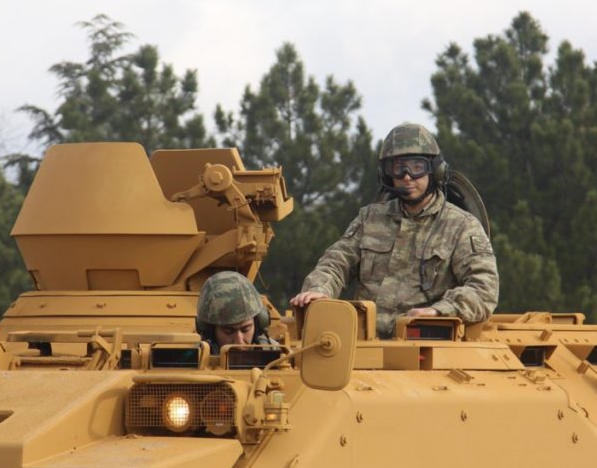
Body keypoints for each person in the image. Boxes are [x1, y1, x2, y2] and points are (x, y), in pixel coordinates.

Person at [290, 123, 499, 338]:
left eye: (417, 167)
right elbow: (336, 262)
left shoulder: (461, 226)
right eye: (398, 168)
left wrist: (440, 311)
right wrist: (319, 290)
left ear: (435, 170)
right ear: (386, 174)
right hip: (363, 343)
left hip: (425, 346)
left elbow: (484, 289)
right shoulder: (370, 218)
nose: (407, 176)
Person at [196, 271, 277, 353]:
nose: (239, 342)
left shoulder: (276, 353)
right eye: (229, 332)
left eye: (246, 329)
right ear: (210, 332)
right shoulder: (194, 358)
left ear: (258, 324)